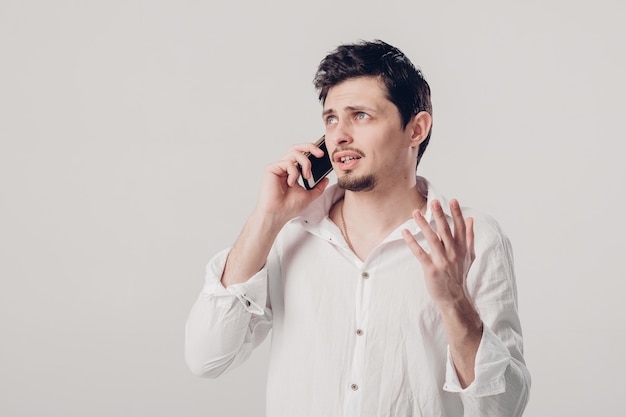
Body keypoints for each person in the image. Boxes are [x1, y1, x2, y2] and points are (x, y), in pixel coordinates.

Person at [185, 39, 531, 417]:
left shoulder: (471, 237)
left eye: (361, 115)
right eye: (331, 118)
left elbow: (502, 408)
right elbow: (207, 358)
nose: (339, 135)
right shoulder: (289, 232)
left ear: (416, 130)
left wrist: (454, 302)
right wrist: (266, 219)